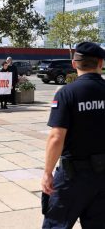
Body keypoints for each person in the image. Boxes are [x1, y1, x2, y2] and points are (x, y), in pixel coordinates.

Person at [41, 42, 105, 228]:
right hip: (103, 177)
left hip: (73, 177)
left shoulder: (67, 93)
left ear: (74, 63)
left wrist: (47, 172)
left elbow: (56, 137)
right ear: (100, 63)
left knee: (57, 224)